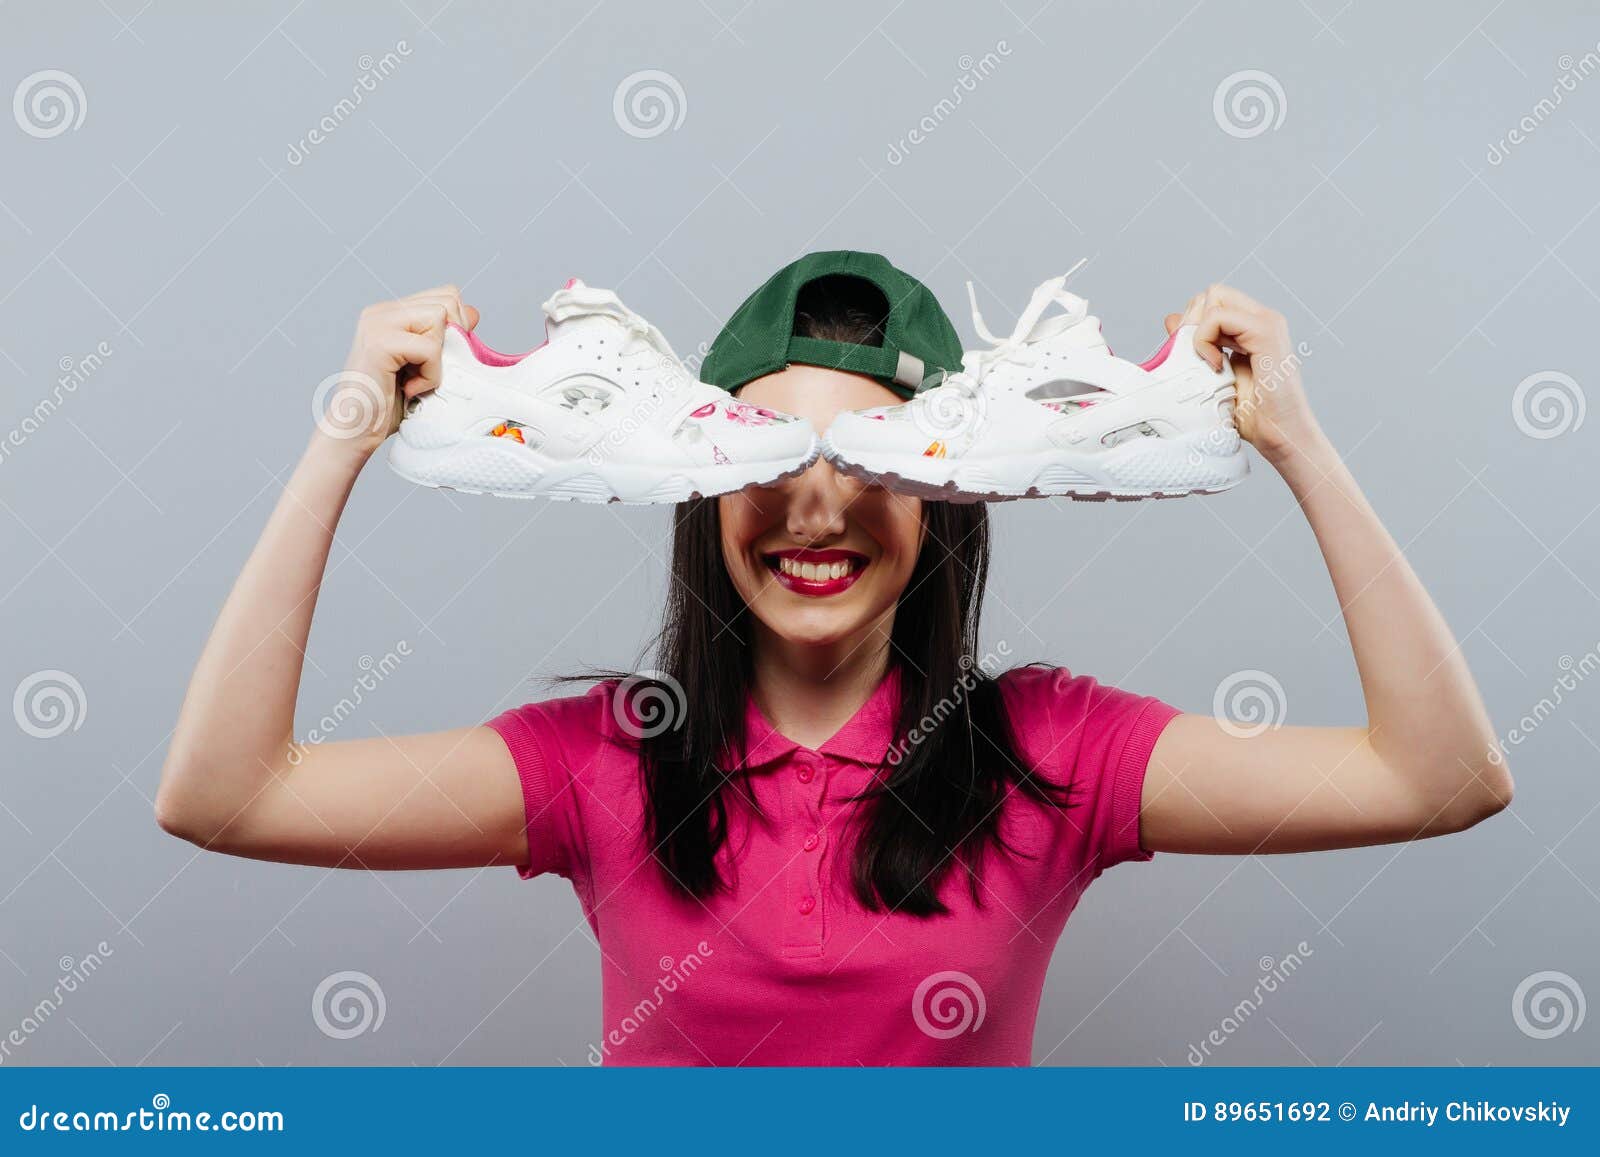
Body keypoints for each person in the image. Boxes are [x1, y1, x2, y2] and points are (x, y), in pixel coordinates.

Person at [155, 251, 1511, 1065]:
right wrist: (344, 434)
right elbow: (227, 794)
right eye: (771, 450)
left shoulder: (1055, 751)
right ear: (701, 481)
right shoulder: (603, 761)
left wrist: (1299, 445)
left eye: (869, 457)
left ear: (948, 494)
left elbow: (1436, 777)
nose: (817, 504)